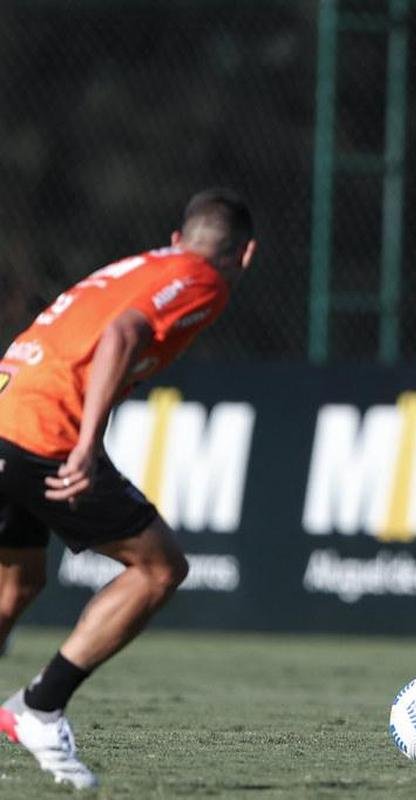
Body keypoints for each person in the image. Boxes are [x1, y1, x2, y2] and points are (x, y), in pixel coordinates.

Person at [0, 188, 256, 788]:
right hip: (44, 432)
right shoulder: (202, 278)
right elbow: (121, 335)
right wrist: (87, 446)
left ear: (176, 237)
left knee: (17, 581)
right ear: (245, 255)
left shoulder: (142, 265)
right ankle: (39, 705)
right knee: (160, 569)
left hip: (7, 405)